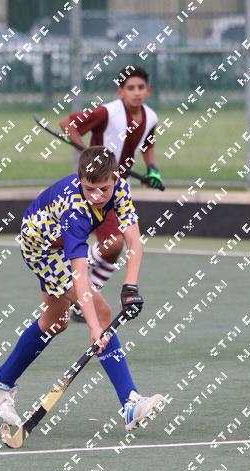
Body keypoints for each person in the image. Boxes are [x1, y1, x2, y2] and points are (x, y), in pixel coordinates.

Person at [0, 146, 164, 432]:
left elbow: (134, 242)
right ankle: (130, 403)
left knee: (56, 322)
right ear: (80, 180)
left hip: (57, 239)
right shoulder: (75, 209)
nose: (97, 197)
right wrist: (94, 327)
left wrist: (130, 286)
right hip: (42, 248)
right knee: (102, 313)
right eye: (89, 189)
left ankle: (0, 380)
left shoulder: (121, 188)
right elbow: (79, 273)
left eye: (104, 189)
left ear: (115, 178)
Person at [59, 65, 162, 322]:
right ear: (120, 91)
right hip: (95, 190)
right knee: (114, 243)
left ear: (148, 90)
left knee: (114, 250)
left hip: (118, 189)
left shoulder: (150, 117)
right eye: (130, 88)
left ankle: (85, 296)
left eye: (141, 88)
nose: (136, 92)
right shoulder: (107, 112)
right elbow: (67, 124)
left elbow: (148, 143)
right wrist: (85, 151)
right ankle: (65, 267)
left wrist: (152, 169)